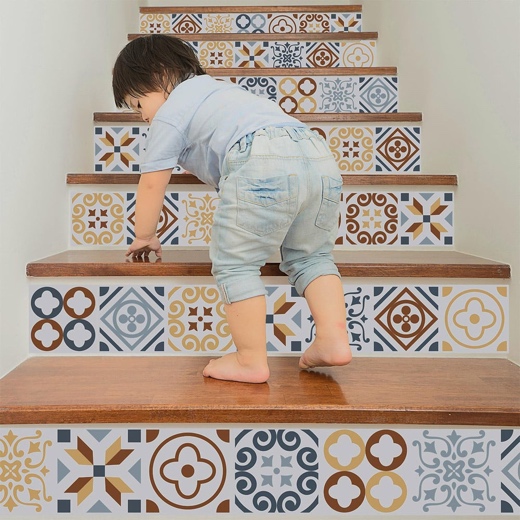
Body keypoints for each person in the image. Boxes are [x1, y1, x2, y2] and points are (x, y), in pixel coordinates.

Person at [112, 34, 352, 383]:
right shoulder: (222, 91)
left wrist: (145, 235)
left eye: (138, 105)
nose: (143, 118)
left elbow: (151, 182)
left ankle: (249, 359)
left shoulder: (170, 112)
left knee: (236, 263)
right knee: (311, 257)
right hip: (318, 157)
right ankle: (333, 339)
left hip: (261, 160)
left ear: (162, 76)